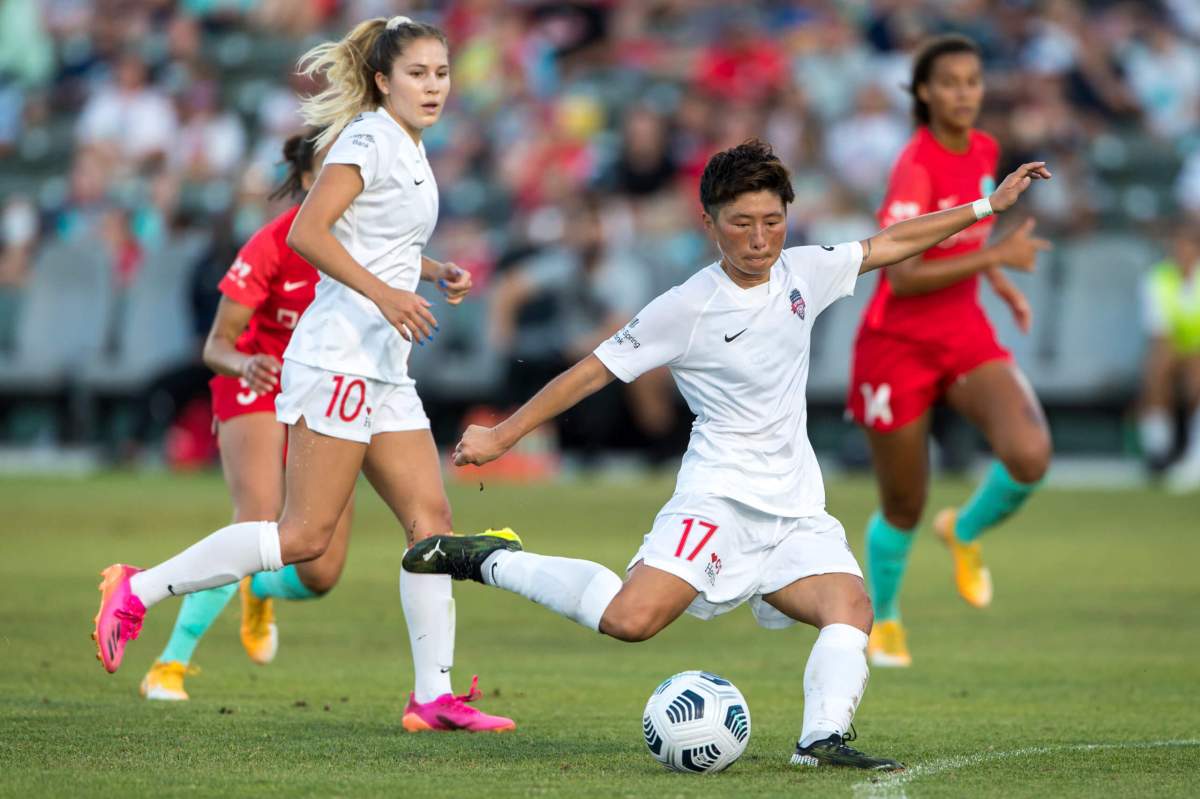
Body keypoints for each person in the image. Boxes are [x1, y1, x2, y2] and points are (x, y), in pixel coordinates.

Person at [404, 139, 1050, 769]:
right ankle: (492, 558)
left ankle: (820, 738)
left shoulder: (806, 270)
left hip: (794, 506)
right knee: (631, 618)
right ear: (709, 223)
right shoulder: (688, 305)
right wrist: (503, 435)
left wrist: (986, 207)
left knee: (850, 605)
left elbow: (892, 243)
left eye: (773, 221)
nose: (760, 237)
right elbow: (594, 371)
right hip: (718, 498)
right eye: (742, 223)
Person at [93, 15, 514, 732]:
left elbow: (373, 239)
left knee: (431, 519)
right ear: (384, 80)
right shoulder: (368, 137)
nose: (434, 86)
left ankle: (431, 696)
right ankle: (138, 587)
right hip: (337, 356)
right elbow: (305, 232)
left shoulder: (409, 146)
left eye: (441, 73)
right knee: (303, 537)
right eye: (418, 73)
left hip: (383, 364)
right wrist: (386, 294)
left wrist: (432, 268)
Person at [846, 35, 1054, 669]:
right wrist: (996, 257)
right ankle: (883, 620)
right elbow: (902, 275)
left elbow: (969, 237)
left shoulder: (987, 150)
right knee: (904, 501)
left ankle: (962, 530)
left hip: (962, 328)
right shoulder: (915, 164)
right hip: (897, 343)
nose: (965, 92)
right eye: (951, 82)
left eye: (973, 80)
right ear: (925, 94)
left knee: (1029, 453)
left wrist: (995, 280)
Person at [139, 129, 359, 700]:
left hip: (328, 392)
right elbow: (216, 345)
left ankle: (259, 590)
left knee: (322, 572)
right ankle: (170, 663)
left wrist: (440, 275)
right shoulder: (270, 245)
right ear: (310, 182)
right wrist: (245, 365)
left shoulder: (367, 243)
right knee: (257, 515)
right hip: (256, 383)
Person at [1138, 225, 1200, 492]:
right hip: (1175, 348)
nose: (1181, 252)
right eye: (1176, 246)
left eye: (1187, 246)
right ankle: (1158, 453)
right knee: (1156, 367)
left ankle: (1195, 457)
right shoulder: (1157, 278)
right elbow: (1159, 335)